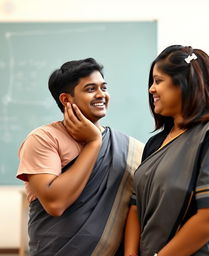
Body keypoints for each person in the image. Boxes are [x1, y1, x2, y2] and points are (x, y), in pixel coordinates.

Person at [16, 58, 144, 256]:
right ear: (66, 99)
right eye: (91, 89)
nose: (101, 95)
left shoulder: (129, 148)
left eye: (104, 87)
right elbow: (56, 204)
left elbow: (134, 209)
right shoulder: (44, 139)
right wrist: (93, 143)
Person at [124, 45, 209, 256]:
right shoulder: (155, 143)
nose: (151, 89)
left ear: (184, 84)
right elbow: (135, 206)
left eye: (158, 81)